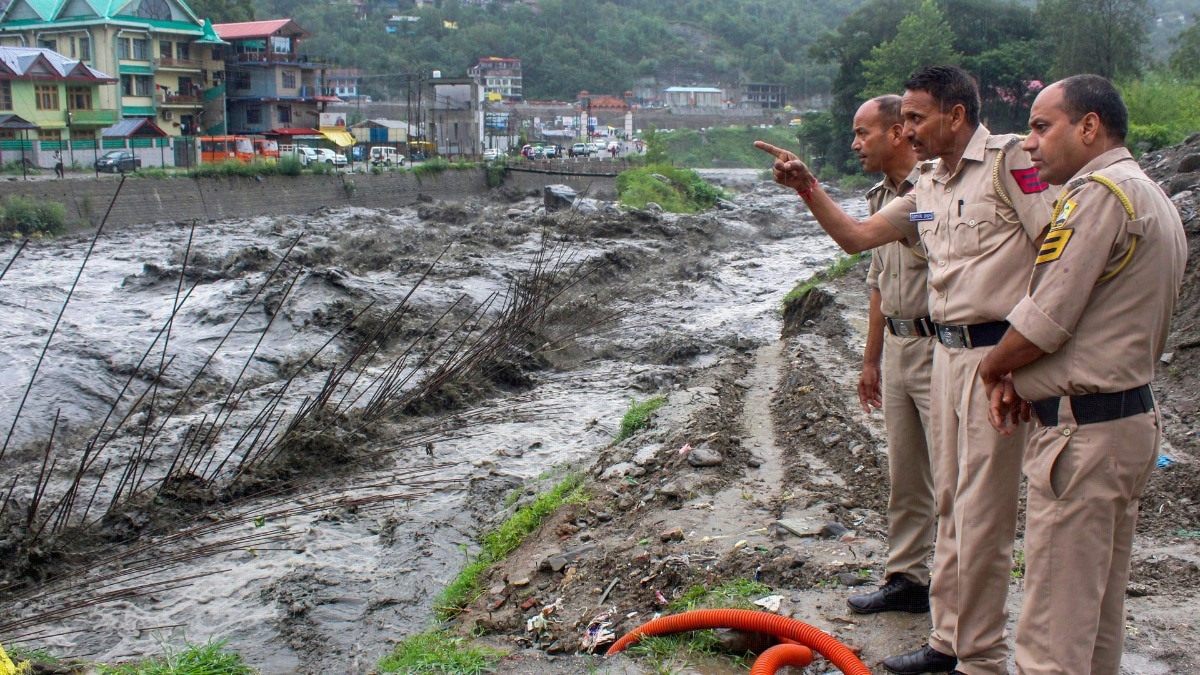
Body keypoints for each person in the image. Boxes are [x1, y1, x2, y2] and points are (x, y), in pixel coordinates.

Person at [756, 65, 1055, 675]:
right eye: (905, 119)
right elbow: (859, 237)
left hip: (994, 357)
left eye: (917, 118)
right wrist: (808, 188)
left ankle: (979, 656)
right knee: (948, 499)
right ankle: (947, 641)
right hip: (944, 353)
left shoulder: (1008, 163)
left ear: (957, 115)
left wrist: (1028, 354)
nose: (907, 129)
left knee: (980, 512)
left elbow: (1057, 249)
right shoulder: (927, 187)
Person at [979, 74, 1186, 675]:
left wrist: (994, 368)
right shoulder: (1150, 194)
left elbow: (1047, 318)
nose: (1031, 143)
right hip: (1125, 422)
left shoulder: (1096, 194)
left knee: (1051, 631)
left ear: (1089, 127)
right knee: (1093, 618)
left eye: (1043, 127)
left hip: (1083, 436)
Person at [843, 94, 937, 617]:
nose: (856, 144)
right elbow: (879, 282)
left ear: (899, 131)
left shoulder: (936, 189)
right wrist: (870, 360)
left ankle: (956, 586)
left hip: (939, 344)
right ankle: (907, 578)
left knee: (951, 474)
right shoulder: (881, 197)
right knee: (906, 473)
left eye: (864, 133)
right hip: (900, 345)